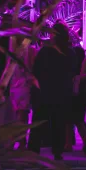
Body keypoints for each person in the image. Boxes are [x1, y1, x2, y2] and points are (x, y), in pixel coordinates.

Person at [33, 23, 79, 160]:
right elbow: (73, 72)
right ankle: (57, 151)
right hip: (62, 91)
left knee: (39, 121)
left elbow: (36, 70)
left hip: (46, 90)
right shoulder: (70, 52)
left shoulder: (45, 51)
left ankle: (34, 149)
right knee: (59, 122)